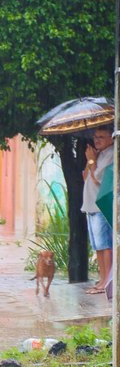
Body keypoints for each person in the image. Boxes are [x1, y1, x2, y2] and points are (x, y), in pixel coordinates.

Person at [82, 125, 114, 294]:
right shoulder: (98, 154)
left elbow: (98, 181)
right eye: (95, 136)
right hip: (90, 205)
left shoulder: (111, 154)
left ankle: (107, 282)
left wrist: (92, 161)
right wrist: (90, 160)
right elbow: (85, 176)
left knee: (105, 245)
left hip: (101, 205)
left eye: (101, 136)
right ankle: (102, 279)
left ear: (111, 138)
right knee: (98, 247)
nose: (97, 140)